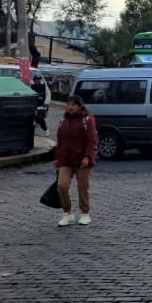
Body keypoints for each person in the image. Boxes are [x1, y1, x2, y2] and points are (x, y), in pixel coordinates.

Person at [54, 95, 98, 226]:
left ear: (79, 106)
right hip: (66, 158)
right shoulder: (63, 119)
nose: (70, 107)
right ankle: (67, 213)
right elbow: (60, 140)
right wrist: (57, 157)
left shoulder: (87, 119)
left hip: (82, 158)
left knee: (82, 187)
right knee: (62, 185)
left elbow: (92, 140)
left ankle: (85, 213)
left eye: (73, 105)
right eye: (68, 104)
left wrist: (88, 157)